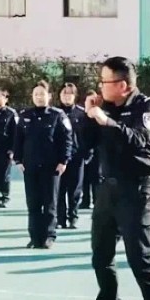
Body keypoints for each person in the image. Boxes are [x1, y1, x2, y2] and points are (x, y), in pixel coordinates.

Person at [80, 56, 150, 300]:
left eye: (105, 82)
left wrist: (107, 121)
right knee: (101, 253)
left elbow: (138, 141)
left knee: (140, 258)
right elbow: (85, 144)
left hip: (138, 191)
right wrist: (89, 115)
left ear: (122, 85)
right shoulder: (105, 107)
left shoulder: (148, 107)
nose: (100, 86)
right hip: (108, 189)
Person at [14, 80, 71, 249]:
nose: (39, 97)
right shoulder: (25, 115)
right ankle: (34, 237)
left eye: (42, 94)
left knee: (50, 203)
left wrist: (64, 161)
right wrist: (18, 160)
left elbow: (67, 139)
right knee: (33, 203)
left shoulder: (58, 115)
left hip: (51, 167)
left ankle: (49, 236)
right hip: (30, 166)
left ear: (49, 96)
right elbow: (18, 139)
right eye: (36, 94)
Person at [56, 81, 91, 230]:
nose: (67, 96)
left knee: (75, 190)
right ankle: (60, 219)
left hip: (77, 157)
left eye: (70, 93)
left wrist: (88, 154)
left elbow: (89, 135)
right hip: (58, 159)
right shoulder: (55, 113)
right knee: (59, 189)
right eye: (64, 93)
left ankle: (73, 217)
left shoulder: (82, 114)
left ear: (75, 96)